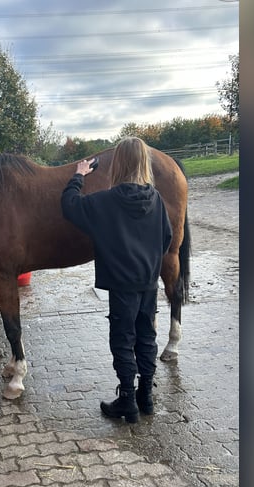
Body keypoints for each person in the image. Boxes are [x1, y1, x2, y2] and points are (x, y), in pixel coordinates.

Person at [61, 137, 172, 423]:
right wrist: (147, 262)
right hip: (148, 283)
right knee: (147, 338)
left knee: (123, 341)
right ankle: (145, 397)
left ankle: (127, 402)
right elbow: (167, 238)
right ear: (144, 163)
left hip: (122, 285)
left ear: (118, 164)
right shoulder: (156, 199)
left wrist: (78, 175)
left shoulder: (106, 202)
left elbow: (69, 206)